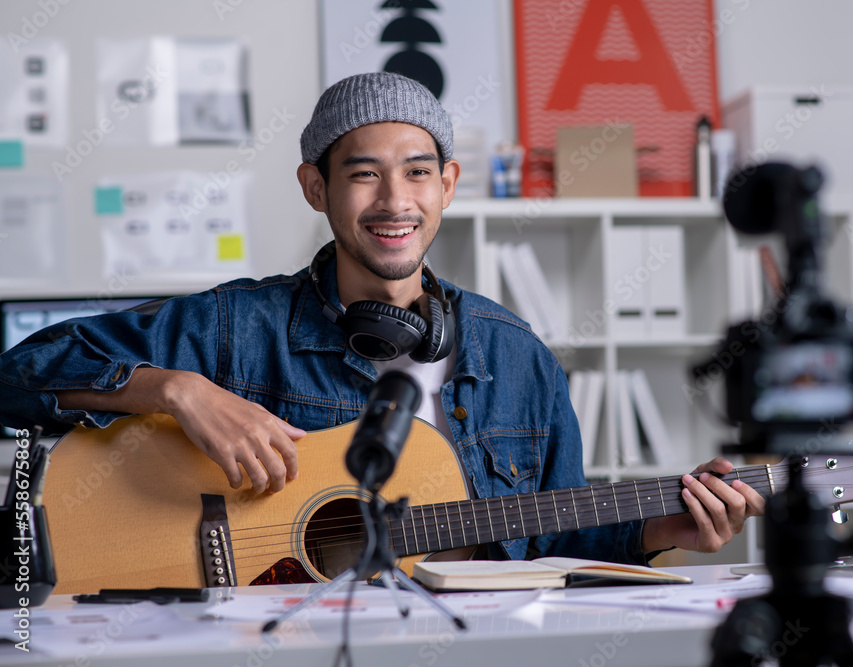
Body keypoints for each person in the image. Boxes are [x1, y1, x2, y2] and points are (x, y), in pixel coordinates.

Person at [0, 72, 763, 565]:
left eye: (419, 172)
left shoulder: (518, 355)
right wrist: (176, 391)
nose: (396, 201)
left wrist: (664, 528)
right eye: (364, 173)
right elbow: (16, 375)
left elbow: (555, 538)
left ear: (449, 184)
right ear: (315, 187)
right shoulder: (237, 326)